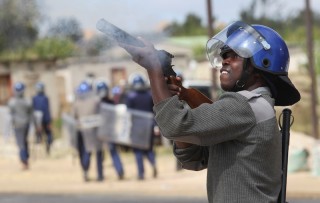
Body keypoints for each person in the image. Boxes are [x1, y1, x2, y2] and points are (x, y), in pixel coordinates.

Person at [120, 21, 301, 202]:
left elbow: (174, 125)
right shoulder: (253, 107)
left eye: (235, 55)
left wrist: (153, 68)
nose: (225, 60)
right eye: (224, 55)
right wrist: (181, 95)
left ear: (261, 65)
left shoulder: (245, 106)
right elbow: (194, 159)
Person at [125, 74, 158, 180]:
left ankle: (141, 174)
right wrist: (156, 126)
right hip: (148, 126)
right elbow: (154, 111)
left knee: (138, 151)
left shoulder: (130, 97)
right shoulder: (149, 95)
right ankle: (153, 163)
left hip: (136, 127)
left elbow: (127, 114)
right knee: (148, 148)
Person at [72, 81, 104, 182]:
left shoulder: (76, 103)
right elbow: (102, 113)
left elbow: (74, 117)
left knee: (87, 151)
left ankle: (85, 171)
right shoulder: (96, 101)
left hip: (83, 130)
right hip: (96, 129)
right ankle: (100, 175)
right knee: (98, 152)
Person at [96, 81, 125, 180]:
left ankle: (100, 175)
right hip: (111, 131)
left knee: (99, 153)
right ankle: (119, 170)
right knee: (113, 152)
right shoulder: (111, 102)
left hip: (101, 131)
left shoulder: (97, 104)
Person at [8, 82, 33, 170]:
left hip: (19, 126)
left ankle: (24, 161)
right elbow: (31, 114)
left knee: (21, 144)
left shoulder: (12, 102)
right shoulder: (27, 101)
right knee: (24, 142)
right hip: (25, 124)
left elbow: (10, 115)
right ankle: (25, 160)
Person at [32, 82, 53, 155]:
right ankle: (45, 148)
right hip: (43, 120)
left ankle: (44, 148)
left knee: (43, 134)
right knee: (46, 134)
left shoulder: (39, 98)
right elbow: (46, 110)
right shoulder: (43, 98)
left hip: (40, 121)